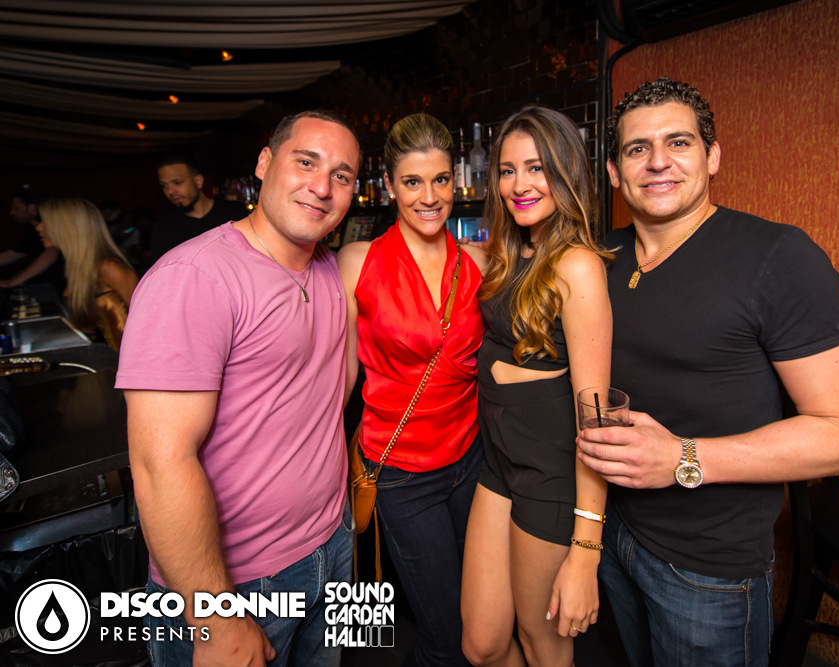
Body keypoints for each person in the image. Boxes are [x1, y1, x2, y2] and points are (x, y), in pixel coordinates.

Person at [576, 77, 839, 666]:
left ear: (713, 156)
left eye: (679, 142)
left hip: (706, 567)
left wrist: (683, 459)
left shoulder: (777, 256)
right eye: (638, 148)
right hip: (613, 532)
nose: (658, 161)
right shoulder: (599, 258)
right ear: (615, 173)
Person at [116, 110, 361, 666]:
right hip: (239, 584)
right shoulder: (194, 277)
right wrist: (214, 615)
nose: (322, 187)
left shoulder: (328, 269)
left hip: (332, 547)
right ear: (265, 163)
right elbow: (159, 463)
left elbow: (326, 393)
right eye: (306, 162)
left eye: (341, 175)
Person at [461, 106, 614, 667]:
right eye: (507, 170)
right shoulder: (509, 254)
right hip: (499, 464)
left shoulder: (577, 265)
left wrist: (585, 552)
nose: (519, 184)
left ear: (566, 171)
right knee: (481, 646)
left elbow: (595, 416)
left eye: (536, 168)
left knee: (542, 646)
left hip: (551, 477)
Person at [338, 113, 487, 667]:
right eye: (412, 182)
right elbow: (336, 378)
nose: (429, 197)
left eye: (441, 180)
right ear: (389, 184)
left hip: (474, 463)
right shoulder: (357, 262)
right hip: (402, 473)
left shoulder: (477, 260)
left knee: (484, 624)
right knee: (446, 640)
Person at [34, 197, 138, 350]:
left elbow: (152, 321)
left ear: (67, 226)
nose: (38, 227)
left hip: (129, 359)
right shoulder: (78, 268)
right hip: (105, 357)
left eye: (45, 221)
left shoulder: (109, 267)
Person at [151, 155, 248, 263]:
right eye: (164, 185)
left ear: (198, 181)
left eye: (177, 182)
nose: (170, 191)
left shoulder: (234, 211)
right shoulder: (164, 228)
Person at [0, 187, 64, 290]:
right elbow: (9, 255)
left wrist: (11, 282)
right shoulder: (32, 233)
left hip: (64, 286)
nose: (11, 212)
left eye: (16, 208)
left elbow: (51, 253)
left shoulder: (54, 228)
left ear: (32, 208)